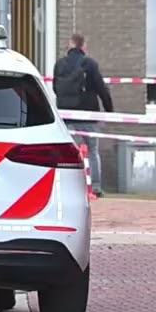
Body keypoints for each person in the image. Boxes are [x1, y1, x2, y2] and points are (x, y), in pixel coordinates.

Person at [53, 33, 113, 197]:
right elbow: (101, 88)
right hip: (87, 114)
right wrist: (109, 110)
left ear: (70, 44)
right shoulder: (89, 64)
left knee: (66, 152)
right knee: (92, 150)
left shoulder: (59, 64)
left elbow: (55, 88)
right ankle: (95, 187)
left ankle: (66, 187)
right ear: (83, 46)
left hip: (66, 115)